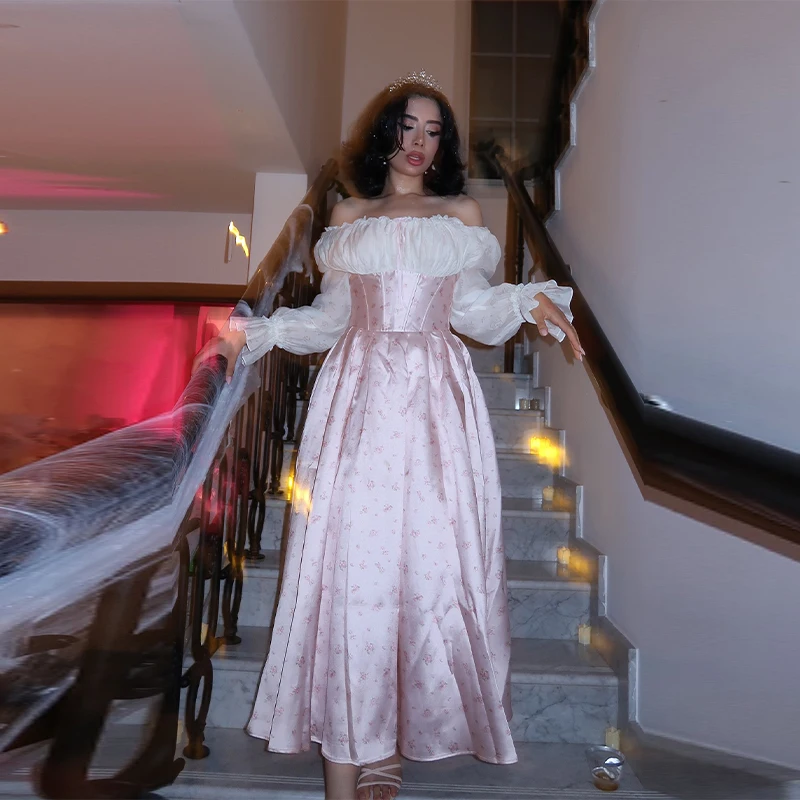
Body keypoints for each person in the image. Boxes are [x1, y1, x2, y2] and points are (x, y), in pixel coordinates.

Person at [203, 72, 582, 800]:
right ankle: (353, 756)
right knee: (352, 569)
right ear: (386, 133)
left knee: (426, 569)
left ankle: (389, 741)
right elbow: (330, 318)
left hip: (437, 401)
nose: (419, 142)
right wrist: (257, 331)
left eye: (434, 132)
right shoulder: (349, 215)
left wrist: (531, 302)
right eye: (408, 126)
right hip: (358, 398)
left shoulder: (460, 213)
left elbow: (473, 311)